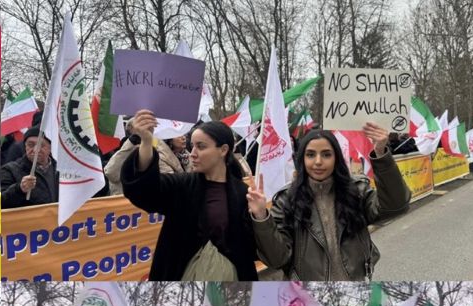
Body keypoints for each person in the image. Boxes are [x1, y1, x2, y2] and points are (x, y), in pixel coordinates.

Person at [247, 125, 411, 281]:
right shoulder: (286, 200)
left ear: (336, 158)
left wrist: (381, 154)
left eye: (326, 154)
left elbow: (396, 206)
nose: (318, 161)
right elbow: (277, 259)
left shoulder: (356, 190)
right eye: (310, 154)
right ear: (302, 159)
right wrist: (261, 217)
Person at [121, 112, 259, 280]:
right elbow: (144, 190)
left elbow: (255, 249)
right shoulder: (182, 186)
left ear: (223, 150)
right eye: (192, 146)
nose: (192, 153)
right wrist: (147, 141)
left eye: (201, 146)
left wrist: (261, 216)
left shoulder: (243, 193)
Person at [104, 120, 186, 195]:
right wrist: (132, 142)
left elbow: (168, 176)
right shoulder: (127, 148)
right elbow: (110, 173)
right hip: (127, 207)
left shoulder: (159, 147)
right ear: (132, 130)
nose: (183, 138)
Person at [0, 127, 58, 208]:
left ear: (50, 147)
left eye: (41, 145)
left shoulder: (61, 170)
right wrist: (20, 189)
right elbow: (0, 202)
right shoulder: (10, 170)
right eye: (30, 145)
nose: (35, 150)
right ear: (25, 146)